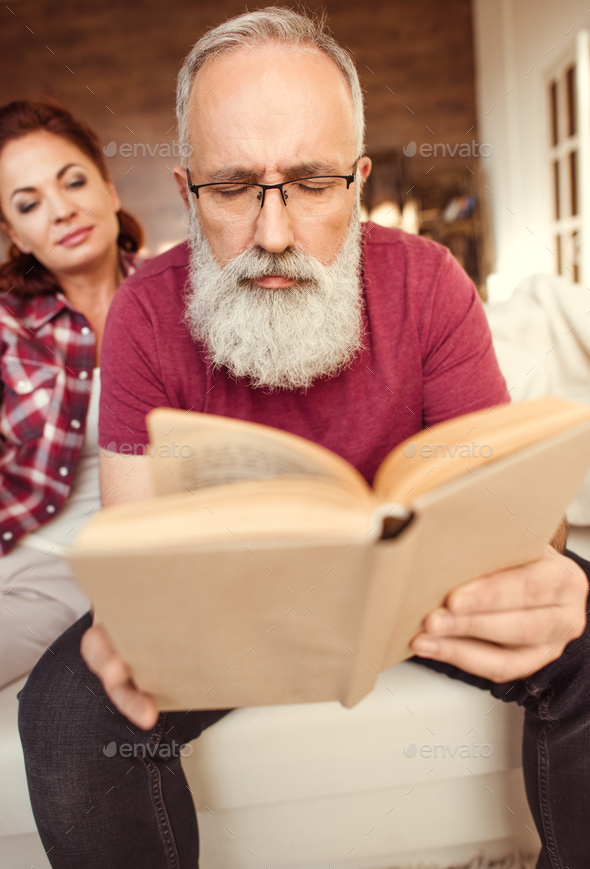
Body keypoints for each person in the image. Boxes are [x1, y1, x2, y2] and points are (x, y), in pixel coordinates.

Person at [17, 10, 589, 869]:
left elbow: (516, 524)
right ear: (185, 191)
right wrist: (137, 620)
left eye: (313, 184)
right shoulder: (141, 313)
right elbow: (134, 550)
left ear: (357, 183)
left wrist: (539, 569)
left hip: (422, 603)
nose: (274, 234)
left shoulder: (430, 283)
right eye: (235, 187)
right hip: (228, 616)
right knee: (65, 710)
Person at [0, 99, 146, 687]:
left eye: (74, 182)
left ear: (110, 190)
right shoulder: (7, 324)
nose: (60, 211)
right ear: (17, 236)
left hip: (70, 568)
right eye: (30, 204)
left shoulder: (183, 301)